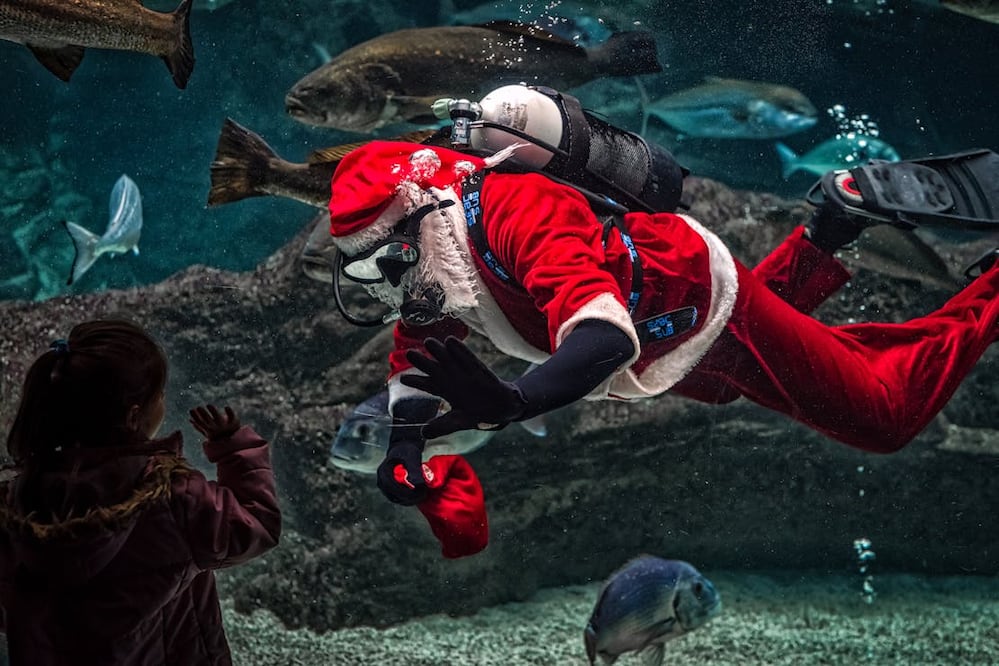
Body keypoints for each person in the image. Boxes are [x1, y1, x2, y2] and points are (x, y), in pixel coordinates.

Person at [324, 139, 999, 548]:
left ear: (417, 224)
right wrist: (405, 444)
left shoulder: (516, 211)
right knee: (716, 383)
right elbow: (415, 351)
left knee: (881, 415)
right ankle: (830, 226)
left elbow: (599, 339)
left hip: (696, 301)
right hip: (671, 339)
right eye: (361, 272)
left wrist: (512, 402)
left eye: (384, 263)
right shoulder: (433, 261)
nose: (384, 287)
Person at [0, 319, 281, 665]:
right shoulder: (173, 497)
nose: (164, 401)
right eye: (160, 394)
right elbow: (255, 525)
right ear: (135, 416)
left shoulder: (17, 502)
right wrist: (233, 450)